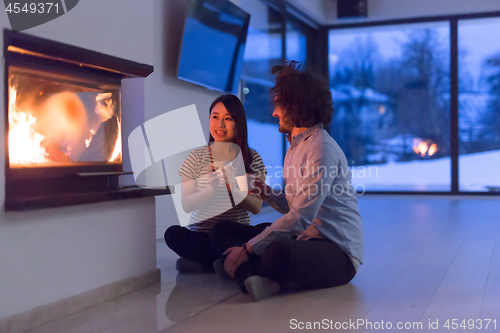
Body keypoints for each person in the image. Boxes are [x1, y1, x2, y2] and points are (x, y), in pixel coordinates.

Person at [209, 61, 364, 301]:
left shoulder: (321, 149)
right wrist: (266, 191)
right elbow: (294, 206)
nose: (274, 112)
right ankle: (252, 276)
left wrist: (249, 248)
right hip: (303, 238)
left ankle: (241, 268)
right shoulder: (295, 146)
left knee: (275, 251)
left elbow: (301, 217)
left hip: (336, 252)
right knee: (222, 230)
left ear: (296, 105)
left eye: (278, 105)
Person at [164, 94, 268, 273]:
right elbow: (187, 205)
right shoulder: (195, 158)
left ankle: (204, 262)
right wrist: (210, 190)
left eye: (228, 119)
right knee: (172, 233)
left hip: (232, 234)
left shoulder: (252, 158)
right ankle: (221, 261)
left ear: (239, 123)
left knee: (265, 229)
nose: (220, 125)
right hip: (202, 236)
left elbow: (257, 207)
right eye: (215, 117)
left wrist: (233, 189)